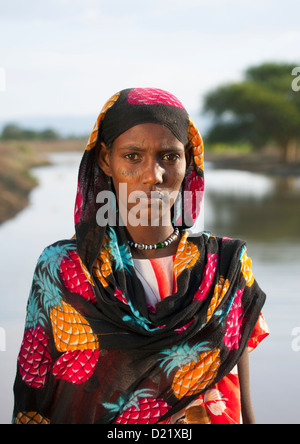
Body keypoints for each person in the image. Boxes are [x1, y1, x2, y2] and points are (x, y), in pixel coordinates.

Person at [13, 88, 269, 425]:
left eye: (170, 156)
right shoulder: (63, 268)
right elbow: (36, 393)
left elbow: (241, 405)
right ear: (106, 160)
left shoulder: (225, 266)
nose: (154, 175)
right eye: (133, 156)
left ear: (188, 160)